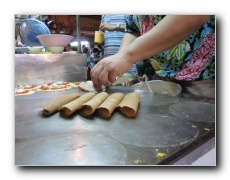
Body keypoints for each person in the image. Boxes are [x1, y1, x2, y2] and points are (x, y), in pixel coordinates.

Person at [91, 15, 215, 95]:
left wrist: (127, 56)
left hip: (204, 77)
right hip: (163, 77)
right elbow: (133, 29)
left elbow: (193, 15)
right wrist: (121, 56)